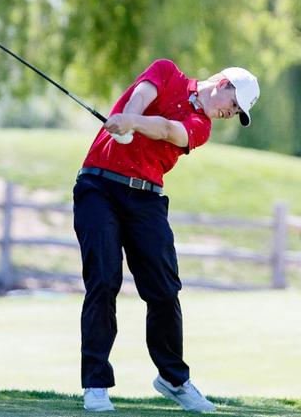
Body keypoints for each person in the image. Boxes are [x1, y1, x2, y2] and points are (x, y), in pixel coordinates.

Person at [73, 59, 259, 413]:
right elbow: (141, 97)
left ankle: (173, 379)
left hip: (146, 198)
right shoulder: (167, 72)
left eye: (236, 112)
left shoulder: (201, 127)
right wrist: (127, 120)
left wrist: (132, 124)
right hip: (98, 186)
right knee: (103, 279)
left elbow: (165, 130)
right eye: (233, 104)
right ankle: (95, 384)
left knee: (164, 289)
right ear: (222, 84)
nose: (230, 113)